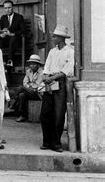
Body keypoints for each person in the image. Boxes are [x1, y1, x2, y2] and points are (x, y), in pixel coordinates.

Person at [40, 25, 74, 153]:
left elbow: (67, 71)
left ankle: (56, 142)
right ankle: (46, 141)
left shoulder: (70, 51)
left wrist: (52, 77)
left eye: (55, 36)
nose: (53, 38)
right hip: (49, 81)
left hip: (60, 82)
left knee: (58, 114)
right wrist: (45, 77)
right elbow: (46, 67)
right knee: (45, 113)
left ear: (61, 38)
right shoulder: (52, 51)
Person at [9, 54, 44, 122]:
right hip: (28, 91)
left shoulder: (41, 72)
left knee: (22, 88)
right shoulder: (28, 71)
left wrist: (29, 86)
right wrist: (29, 86)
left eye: (33, 64)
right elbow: (25, 82)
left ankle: (13, 103)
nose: (31, 66)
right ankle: (22, 115)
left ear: (38, 65)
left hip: (38, 93)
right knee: (21, 95)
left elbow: (37, 85)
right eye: (30, 64)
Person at [0, 0, 25, 66]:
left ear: (13, 8)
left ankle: (10, 60)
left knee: (13, 38)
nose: (7, 10)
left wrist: (12, 34)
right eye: (5, 8)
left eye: (9, 8)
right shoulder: (3, 18)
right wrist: (2, 33)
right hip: (6, 39)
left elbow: (23, 30)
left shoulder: (19, 17)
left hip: (16, 40)